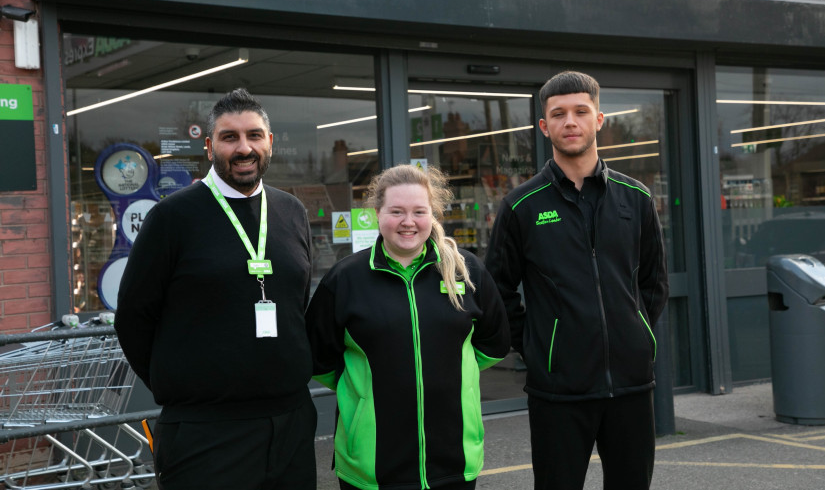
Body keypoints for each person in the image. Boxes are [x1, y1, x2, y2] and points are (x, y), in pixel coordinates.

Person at [115, 89, 316, 490]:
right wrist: (185, 385)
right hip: (205, 433)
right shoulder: (172, 217)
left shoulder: (291, 211)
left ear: (270, 142)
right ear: (210, 146)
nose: (244, 148)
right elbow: (134, 319)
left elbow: (298, 302)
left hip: (290, 423)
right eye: (230, 137)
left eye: (255, 135)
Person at [485, 71, 669, 490]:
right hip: (558, 391)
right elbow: (497, 289)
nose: (571, 121)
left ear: (599, 119)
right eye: (559, 114)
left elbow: (654, 282)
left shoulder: (636, 198)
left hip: (631, 385)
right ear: (544, 126)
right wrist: (539, 345)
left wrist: (634, 331)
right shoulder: (521, 206)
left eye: (581, 111)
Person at [305, 164, 510, 490]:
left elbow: (493, 344)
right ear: (377, 213)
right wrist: (364, 404)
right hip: (372, 466)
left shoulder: (466, 271)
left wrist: (456, 379)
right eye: (396, 211)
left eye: (419, 211)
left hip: (454, 460)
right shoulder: (346, 279)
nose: (408, 222)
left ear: (433, 214)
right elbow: (320, 360)